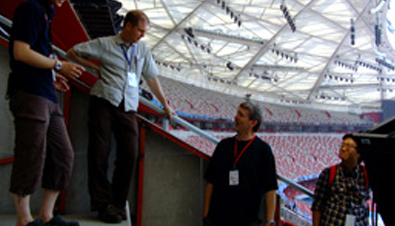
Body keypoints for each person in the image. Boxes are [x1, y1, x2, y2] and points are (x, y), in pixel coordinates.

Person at [66, 10, 175, 223]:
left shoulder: (142, 49)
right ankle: (102, 205)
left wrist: (165, 105)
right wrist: (92, 66)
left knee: (129, 153)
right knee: (99, 153)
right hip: (104, 101)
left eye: (145, 32)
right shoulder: (105, 44)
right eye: (140, 31)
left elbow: (152, 79)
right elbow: (72, 52)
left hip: (128, 106)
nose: (142, 36)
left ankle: (117, 203)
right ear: (128, 26)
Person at [6, 0, 85, 226]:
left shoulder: (46, 13)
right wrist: (58, 66)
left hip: (46, 93)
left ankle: (46, 215)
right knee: (31, 154)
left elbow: (37, 53)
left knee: (63, 155)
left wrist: (52, 77)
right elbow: (20, 52)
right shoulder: (31, 8)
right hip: (30, 93)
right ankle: (24, 219)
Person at [203, 102, 278, 226]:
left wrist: (269, 221)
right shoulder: (223, 145)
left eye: (241, 115)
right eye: (237, 113)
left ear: (252, 123)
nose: (236, 117)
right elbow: (210, 181)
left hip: (248, 221)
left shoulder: (263, 150)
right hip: (218, 219)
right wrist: (206, 215)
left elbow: (270, 188)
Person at [312, 134, 370, 226]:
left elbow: (366, 202)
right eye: (342, 145)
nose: (343, 149)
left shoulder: (366, 175)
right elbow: (317, 206)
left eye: (348, 147)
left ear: (358, 153)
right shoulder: (328, 173)